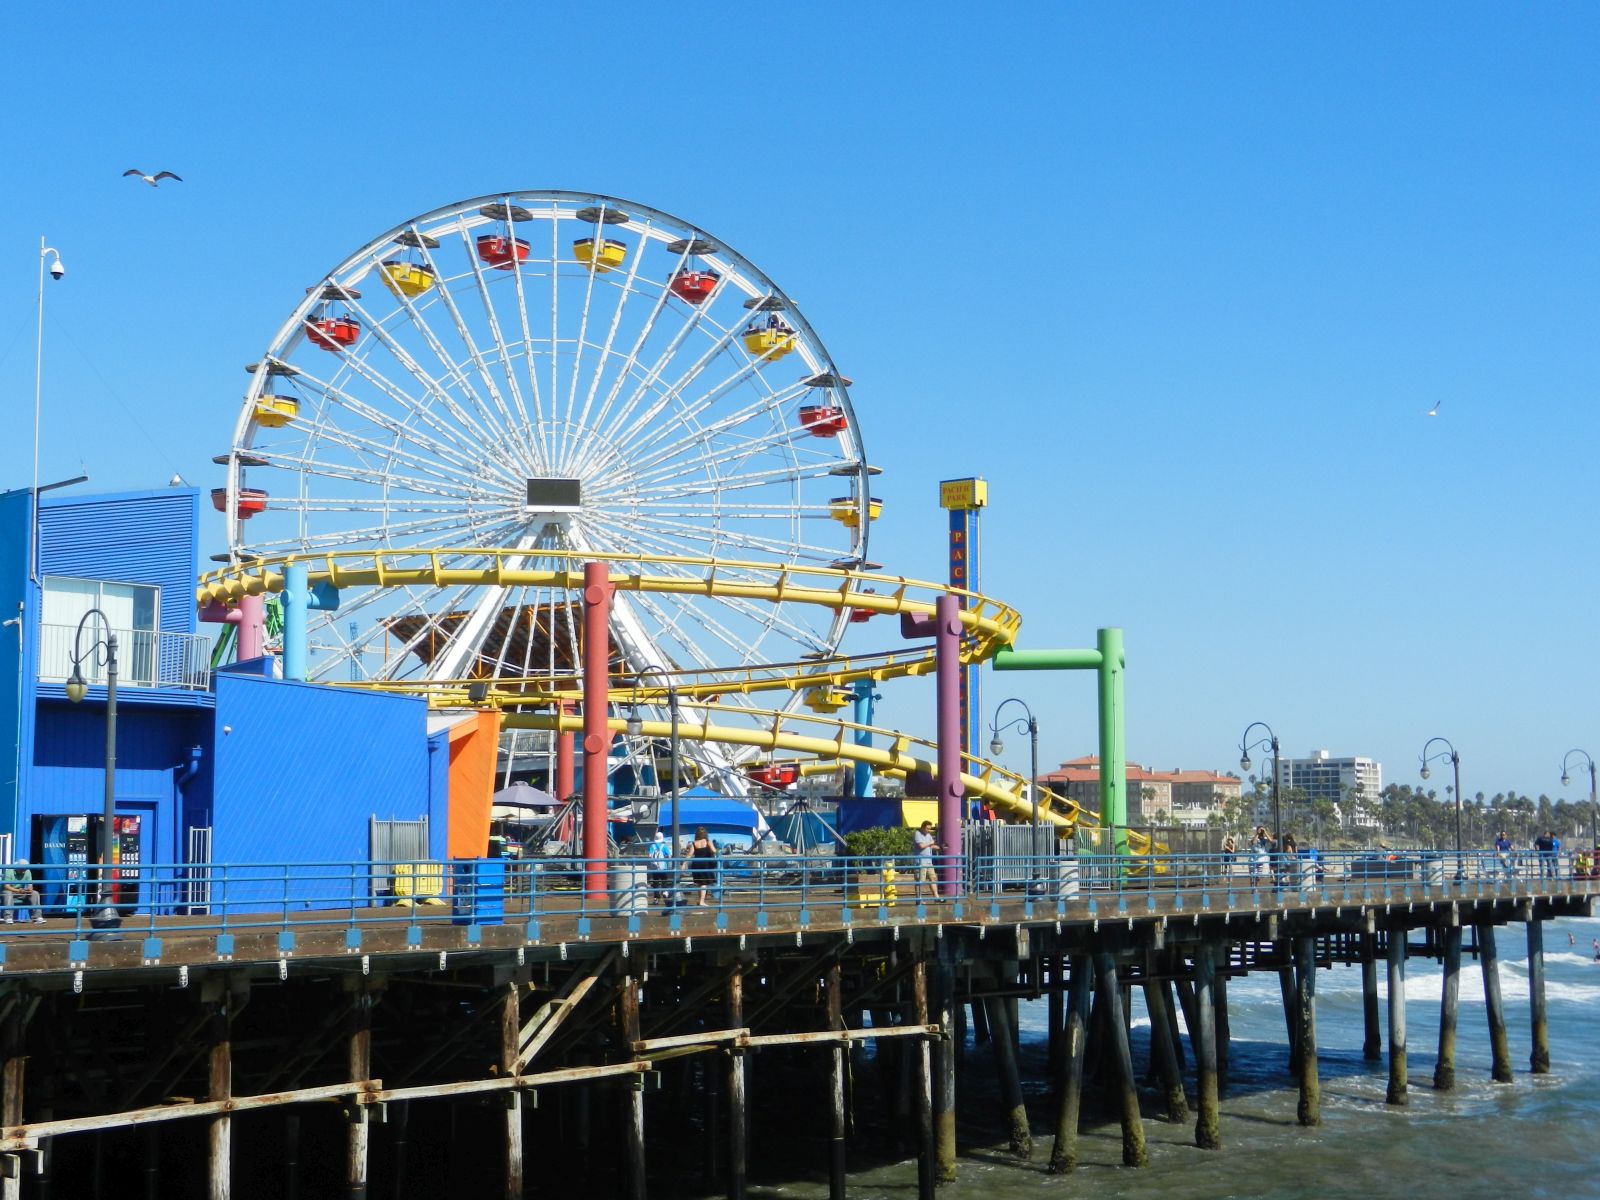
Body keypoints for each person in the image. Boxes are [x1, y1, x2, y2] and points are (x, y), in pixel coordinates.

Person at [689, 826, 718, 906]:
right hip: (705, 864)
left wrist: (683, 863)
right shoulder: (708, 842)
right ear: (705, 834)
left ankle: (700, 901)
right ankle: (702, 901)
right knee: (704, 884)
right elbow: (714, 851)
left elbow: (689, 854)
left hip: (696, 864)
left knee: (700, 883)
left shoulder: (694, 843)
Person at [912, 820, 940, 898]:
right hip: (920, 861)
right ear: (922, 827)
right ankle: (919, 899)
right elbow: (921, 846)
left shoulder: (928, 835)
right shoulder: (917, 834)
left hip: (929, 861)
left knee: (933, 878)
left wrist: (939, 847)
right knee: (920, 880)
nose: (928, 830)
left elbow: (930, 846)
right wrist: (931, 843)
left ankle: (936, 897)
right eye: (927, 828)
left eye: (929, 829)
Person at [647, 830, 674, 907]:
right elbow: (669, 856)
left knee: (655, 883)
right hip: (663, 867)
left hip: (654, 868)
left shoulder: (652, 846)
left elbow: (649, 856)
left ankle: (656, 898)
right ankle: (665, 894)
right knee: (664, 881)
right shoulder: (664, 846)